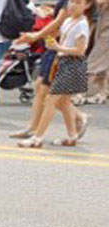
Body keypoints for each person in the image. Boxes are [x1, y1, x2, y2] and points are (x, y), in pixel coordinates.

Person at [17, 0, 92, 147]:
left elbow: (80, 50)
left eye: (78, 2)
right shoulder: (69, 21)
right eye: (71, 2)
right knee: (63, 101)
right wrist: (45, 40)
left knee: (51, 99)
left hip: (73, 64)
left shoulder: (82, 25)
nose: (72, 5)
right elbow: (59, 35)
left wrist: (59, 48)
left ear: (86, 6)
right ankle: (72, 135)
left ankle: (37, 137)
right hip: (61, 61)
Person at [10, 0, 69, 139]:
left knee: (50, 95)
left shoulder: (73, 3)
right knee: (42, 89)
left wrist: (36, 36)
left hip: (59, 50)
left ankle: (38, 133)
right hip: (53, 47)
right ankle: (33, 128)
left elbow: (59, 22)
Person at [79, 0, 109, 104]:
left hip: (106, 30)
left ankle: (79, 92)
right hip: (102, 26)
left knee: (94, 60)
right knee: (103, 63)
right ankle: (102, 93)